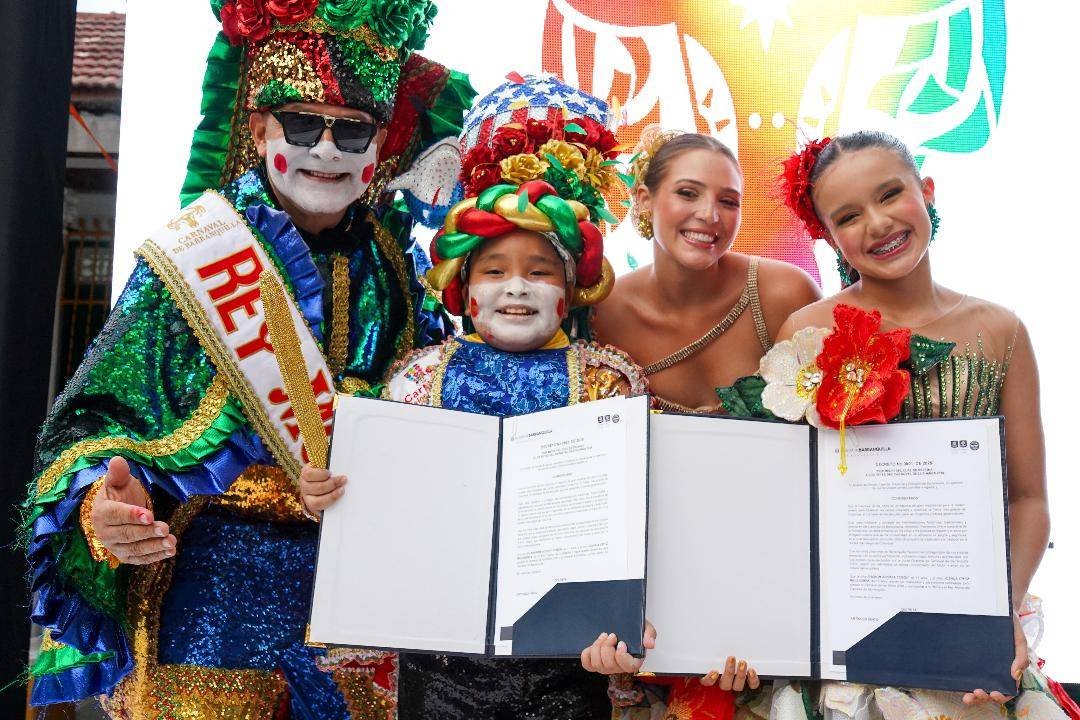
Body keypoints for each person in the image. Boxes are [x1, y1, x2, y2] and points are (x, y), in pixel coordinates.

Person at [24, 1, 475, 716]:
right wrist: (102, 508)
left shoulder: (399, 271)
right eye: (302, 124)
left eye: (351, 130)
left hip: (357, 609)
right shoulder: (190, 260)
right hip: (209, 607)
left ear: (380, 143)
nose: (327, 150)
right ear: (260, 129)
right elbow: (93, 424)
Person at [300, 74, 649, 720]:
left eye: (539, 272)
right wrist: (330, 494)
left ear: (569, 290)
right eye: (495, 271)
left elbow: (635, 525)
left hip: (567, 666)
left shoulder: (609, 384)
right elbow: (379, 509)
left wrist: (629, 620)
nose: (517, 288)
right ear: (464, 287)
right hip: (439, 666)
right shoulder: (416, 380)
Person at [770, 130, 1077, 720]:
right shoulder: (806, 333)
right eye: (848, 216)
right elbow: (788, 505)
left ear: (926, 191)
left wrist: (996, 614)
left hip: (964, 629)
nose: (878, 223)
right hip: (847, 642)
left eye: (890, 194)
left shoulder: (1000, 330)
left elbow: (1030, 499)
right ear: (829, 236)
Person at [590, 128, 822, 414]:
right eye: (687, 193)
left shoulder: (785, 294)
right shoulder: (602, 314)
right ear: (644, 199)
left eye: (728, 202)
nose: (709, 215)